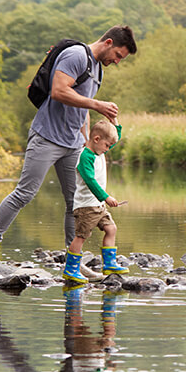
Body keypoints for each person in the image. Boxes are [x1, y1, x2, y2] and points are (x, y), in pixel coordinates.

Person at [0, 25, 137, 277]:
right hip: (47, 137)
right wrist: (97, 104)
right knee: (24, 194)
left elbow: (81, 110)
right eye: (117, 55)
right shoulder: (76, 55)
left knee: (76, 203)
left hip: (73, 144)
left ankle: (73, 263)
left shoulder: (97, 71)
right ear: (108, 42)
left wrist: (85, 140)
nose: (116, 61)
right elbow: (59, 91)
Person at [63, 120, 127, 284]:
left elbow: (114, 138)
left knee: (111, 228)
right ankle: (71, 269)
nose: (108, 149)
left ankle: (110, 264)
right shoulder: (85, 157)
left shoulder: (100, 151)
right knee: (81, 236)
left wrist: (115, 124)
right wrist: (106, 197)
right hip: (86, 206)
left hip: (98, 206)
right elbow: (90, 180)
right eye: (107, 145)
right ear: (96, 139)